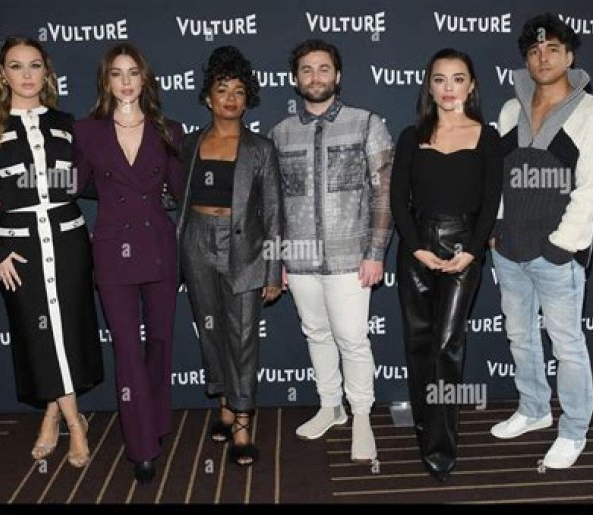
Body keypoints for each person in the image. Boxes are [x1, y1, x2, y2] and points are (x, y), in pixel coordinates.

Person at [0, 36, 104, 468]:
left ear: (47, 73)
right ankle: (75, 422)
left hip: (68, 239)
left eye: (35, 65)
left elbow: (81, 183)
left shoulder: (66, 123)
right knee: (39, 333)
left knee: (67, 331)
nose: (26, 74)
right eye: (16, 66)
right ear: (2, 74)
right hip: (19, 247)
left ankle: (52, 414)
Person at [489, 14, 593, 469]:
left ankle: (574, 430)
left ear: (570, 55)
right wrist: (496, 229)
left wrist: (562, 245)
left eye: (553, 49)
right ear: (527, 59)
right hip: (509, 249)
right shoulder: (510, 110)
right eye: (535, 51)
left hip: (558, 253)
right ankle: (534, 409)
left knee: (566, 343)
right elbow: (499, 178)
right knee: (520, 335)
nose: (543, 58)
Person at [269, 39, 393, 463]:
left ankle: (362, 416)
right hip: (299, 258)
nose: (315, 76)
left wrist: (375, 251)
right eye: (306, 69)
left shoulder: (366, 123)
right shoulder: (281, 133)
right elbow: (274, 203)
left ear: (337, 76)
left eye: (323, 68)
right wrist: (277, 258)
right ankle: (330, 406)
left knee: (352, 340)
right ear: (295, 78)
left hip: (349, 258)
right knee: (316, 334)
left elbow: (384, 194)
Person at [73, 43, 183, 484]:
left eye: (133, 72)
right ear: (106, 80)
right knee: (127, 348)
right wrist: (17, 192)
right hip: (113, 249)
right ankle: (141, 446)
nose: (125, 81)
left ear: (144, 79)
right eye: (116, 73)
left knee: (159, 341)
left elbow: (183, 191)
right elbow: (71, 183)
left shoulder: (168, 130)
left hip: (159, 247)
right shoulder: (87, 131)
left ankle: (154, 421)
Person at [390, 49, 502, 482]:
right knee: (419, 344)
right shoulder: (411, 136)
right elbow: (398, 200)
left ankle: (441, 444)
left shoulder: (486, 137)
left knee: (446, 345)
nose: (449, 87)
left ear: (471, 86)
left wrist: (471, 252)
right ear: (429, 86)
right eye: (440, 79)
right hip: (416, 248)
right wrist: (417, 248)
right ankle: (424, 424)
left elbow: (490, 202)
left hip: (464, 247)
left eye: (458, 78)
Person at [178, 46, 282, 467]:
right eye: (222, 90)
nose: (231, 98)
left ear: (247, 98)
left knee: (242, 337)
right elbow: (172, 194)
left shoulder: (261, 148)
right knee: (210, 330)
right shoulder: (189, 144)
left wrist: (273, 269)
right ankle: (223, 404)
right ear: (208, 97)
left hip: (245, 248)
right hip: (196, 242)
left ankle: (241, 422)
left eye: (239, 91)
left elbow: (273, 213)